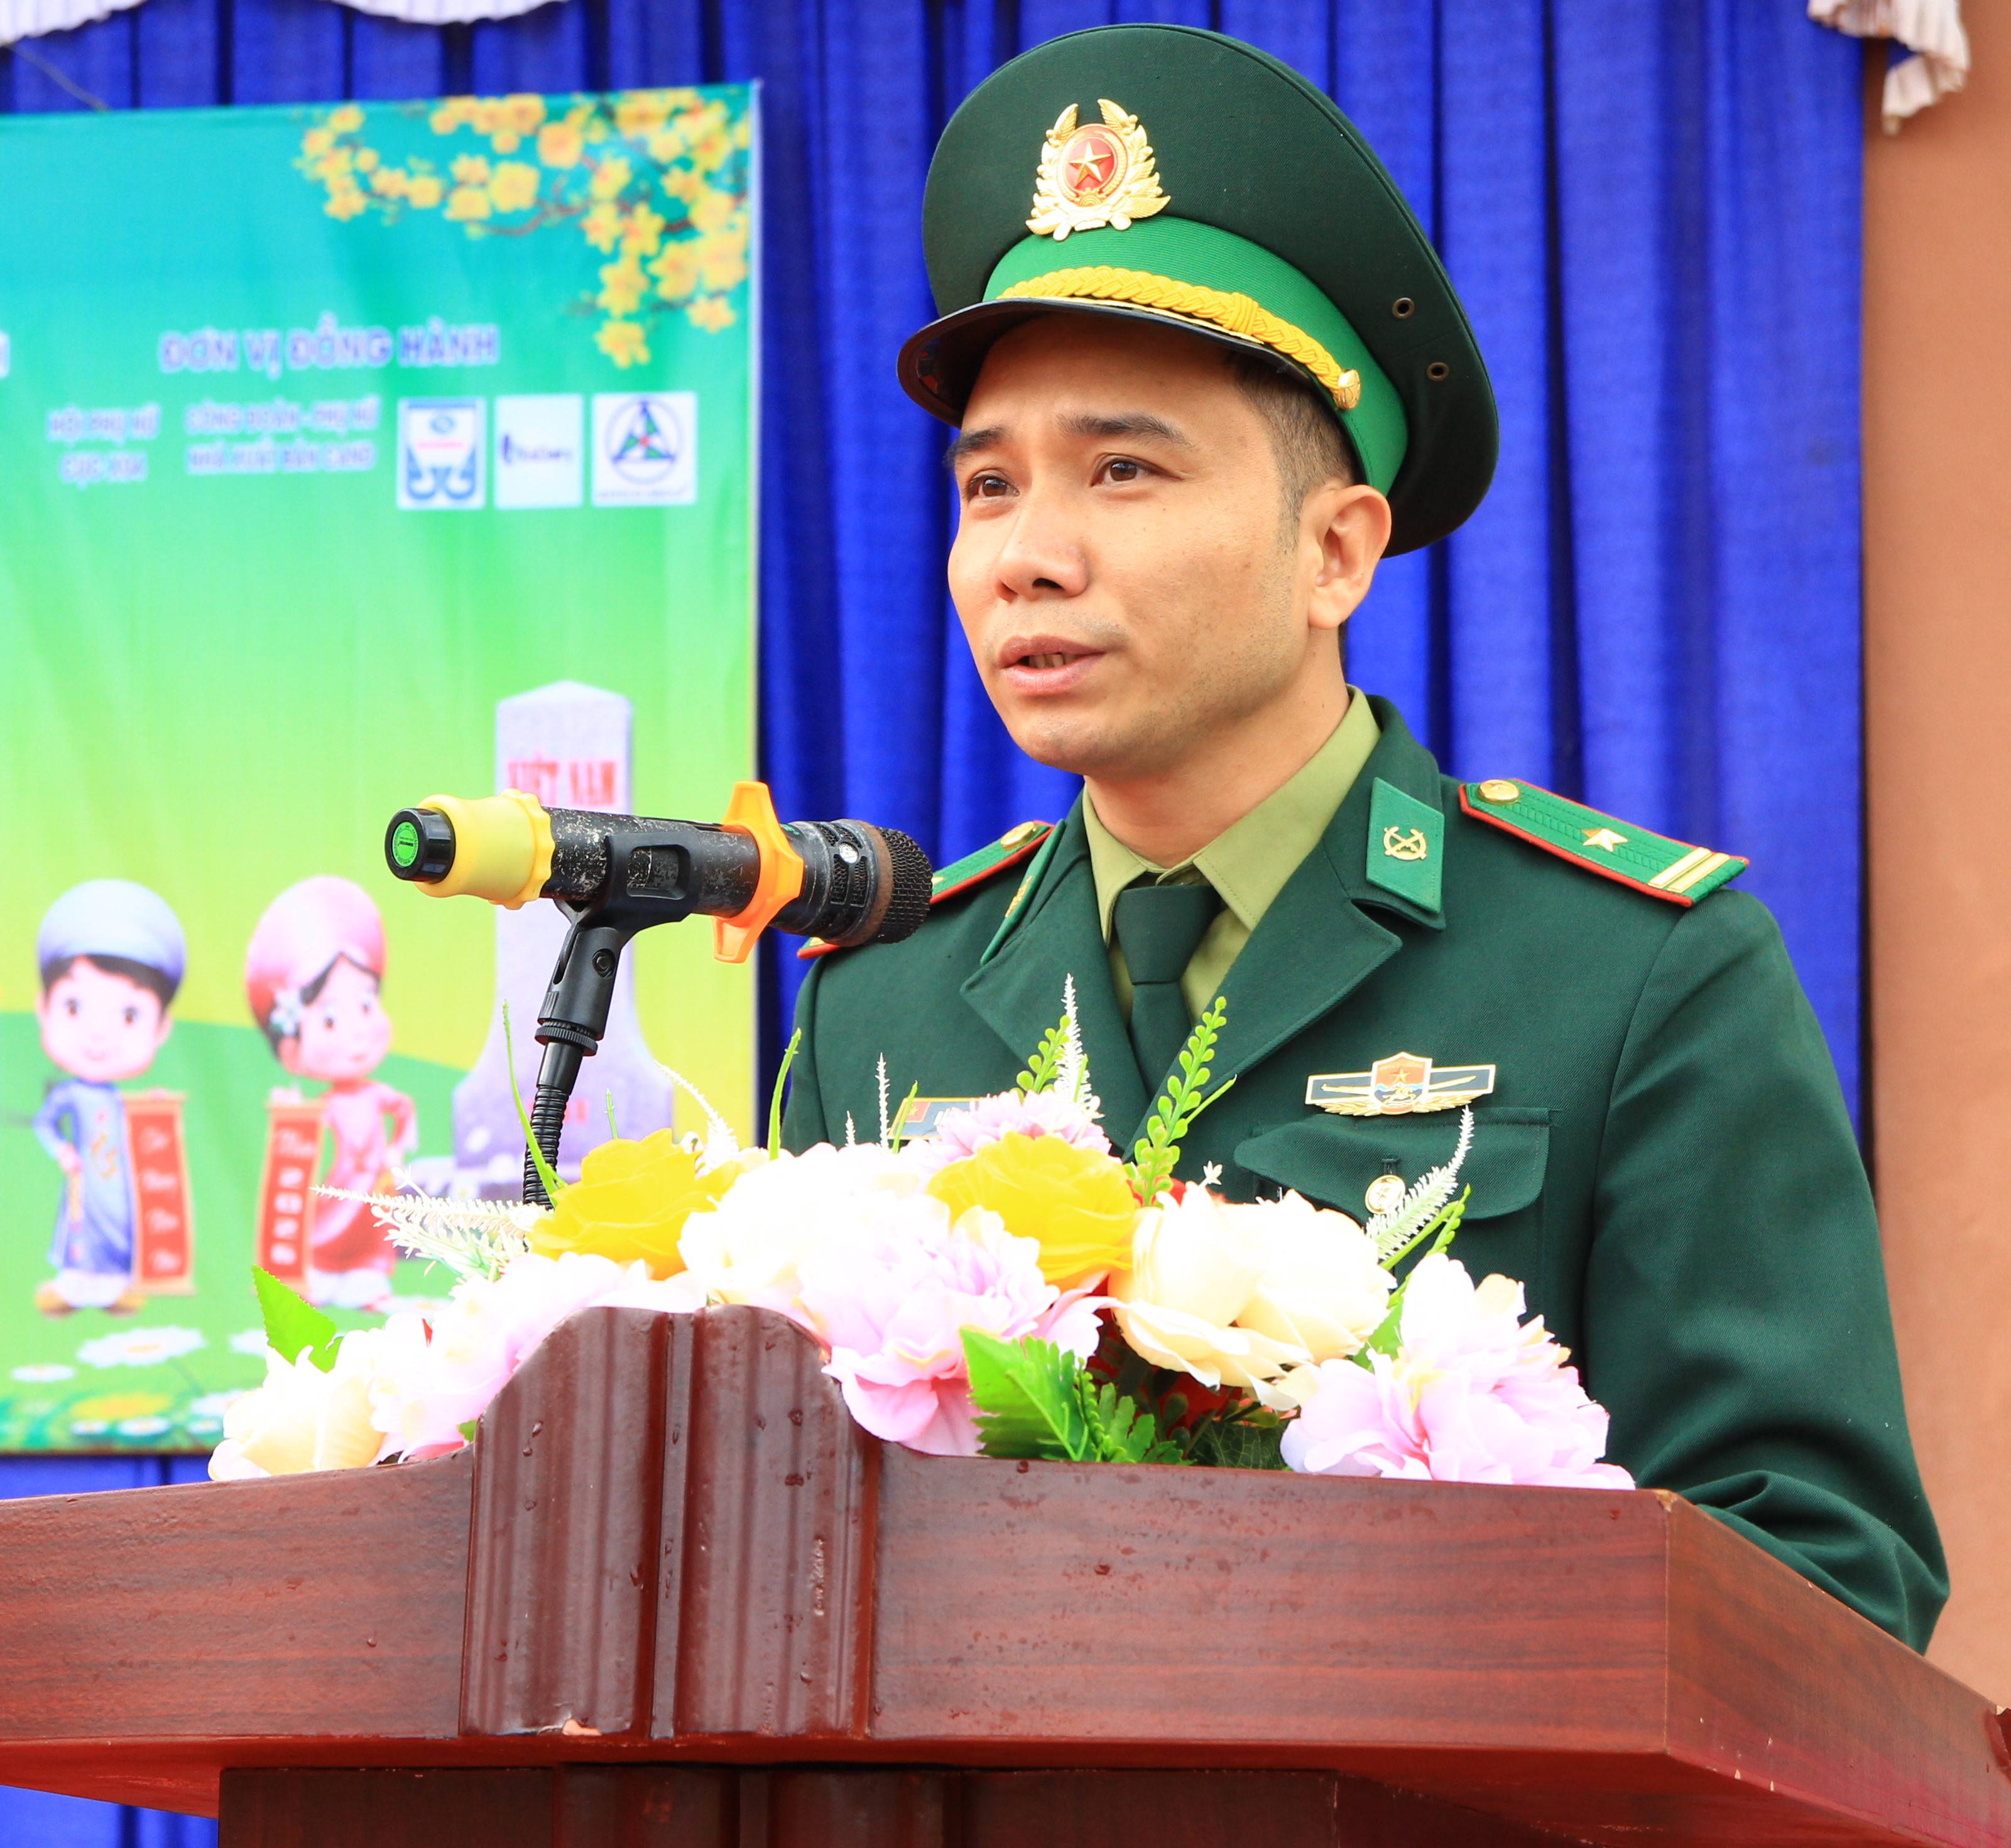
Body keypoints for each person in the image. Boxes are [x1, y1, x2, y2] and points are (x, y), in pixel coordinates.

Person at [780, 24, 1946, 1648]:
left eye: (1120, 469)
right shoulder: (881, 997)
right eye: (988, 487)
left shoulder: (1635, 977)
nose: (1025, 554)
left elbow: (1820, 1575)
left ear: (1336, 551)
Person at [246, 876, 418, 1308]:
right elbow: (307, 1128)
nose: (356, 1032)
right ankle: (322, 1274)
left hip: (375, 1180)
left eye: (366, 1004)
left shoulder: (377, 1094)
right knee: (328, 1221)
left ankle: (366, 1277)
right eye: (329, 1019)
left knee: (373, 1228)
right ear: (291, 1048)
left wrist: (397, 1148)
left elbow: (404, 1111)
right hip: (342, 1181)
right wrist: (291, 1113)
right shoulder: (329, 1103)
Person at [30, 879, 186, 1317]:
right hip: (85, 1174)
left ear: (161, 1028)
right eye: (74, 1008)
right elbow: (44, 1122)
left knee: (121, 1223)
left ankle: (115, 1284)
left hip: (116, 1180)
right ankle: (75, 1285)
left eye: (129, 1015)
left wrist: (153, 1112)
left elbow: (130, 1125)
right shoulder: (70, 1093)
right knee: (79, 1226)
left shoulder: (117, 1096)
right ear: (44, 1010)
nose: (98, 1034)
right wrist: (62, 1150)